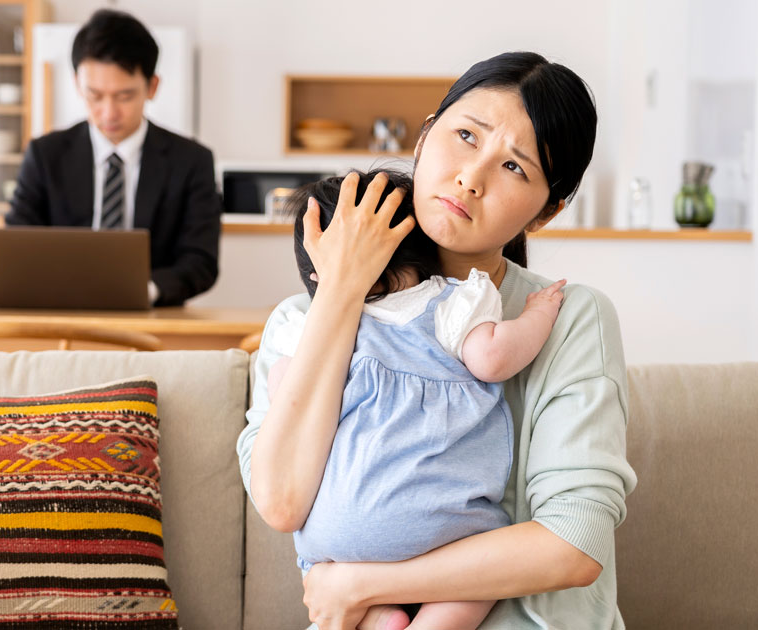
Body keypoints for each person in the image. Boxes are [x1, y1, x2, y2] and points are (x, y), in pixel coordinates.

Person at [237, 51, 638, 630]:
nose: (470, 178)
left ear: (546, 211)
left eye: (515, 168)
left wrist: (361, 584)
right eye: (466, 136)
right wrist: (342, 293)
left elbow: (573, 546)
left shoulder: (569, 318)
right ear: (425, 137)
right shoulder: (299, 322)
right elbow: (281, 501)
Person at [267, 169, 568, 630]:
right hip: (447, 538)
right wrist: (538, 314)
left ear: (313, 268)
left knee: (359, 615)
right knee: (469, 594)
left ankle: (380, 618)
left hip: (334, 555)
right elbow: (492, 359)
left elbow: (286, 401)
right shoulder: (450, 302)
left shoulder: (303, 332)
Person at [5, 9, 221, 306]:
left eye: (124, 96)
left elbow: (201, 261)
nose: (108, 113)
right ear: (77, 83)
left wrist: (142, 290)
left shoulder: (192, 161)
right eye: (94, 95)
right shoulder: (45, 155)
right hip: (59, 313)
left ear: (152, 87)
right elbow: (16, 247)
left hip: (154, 317)